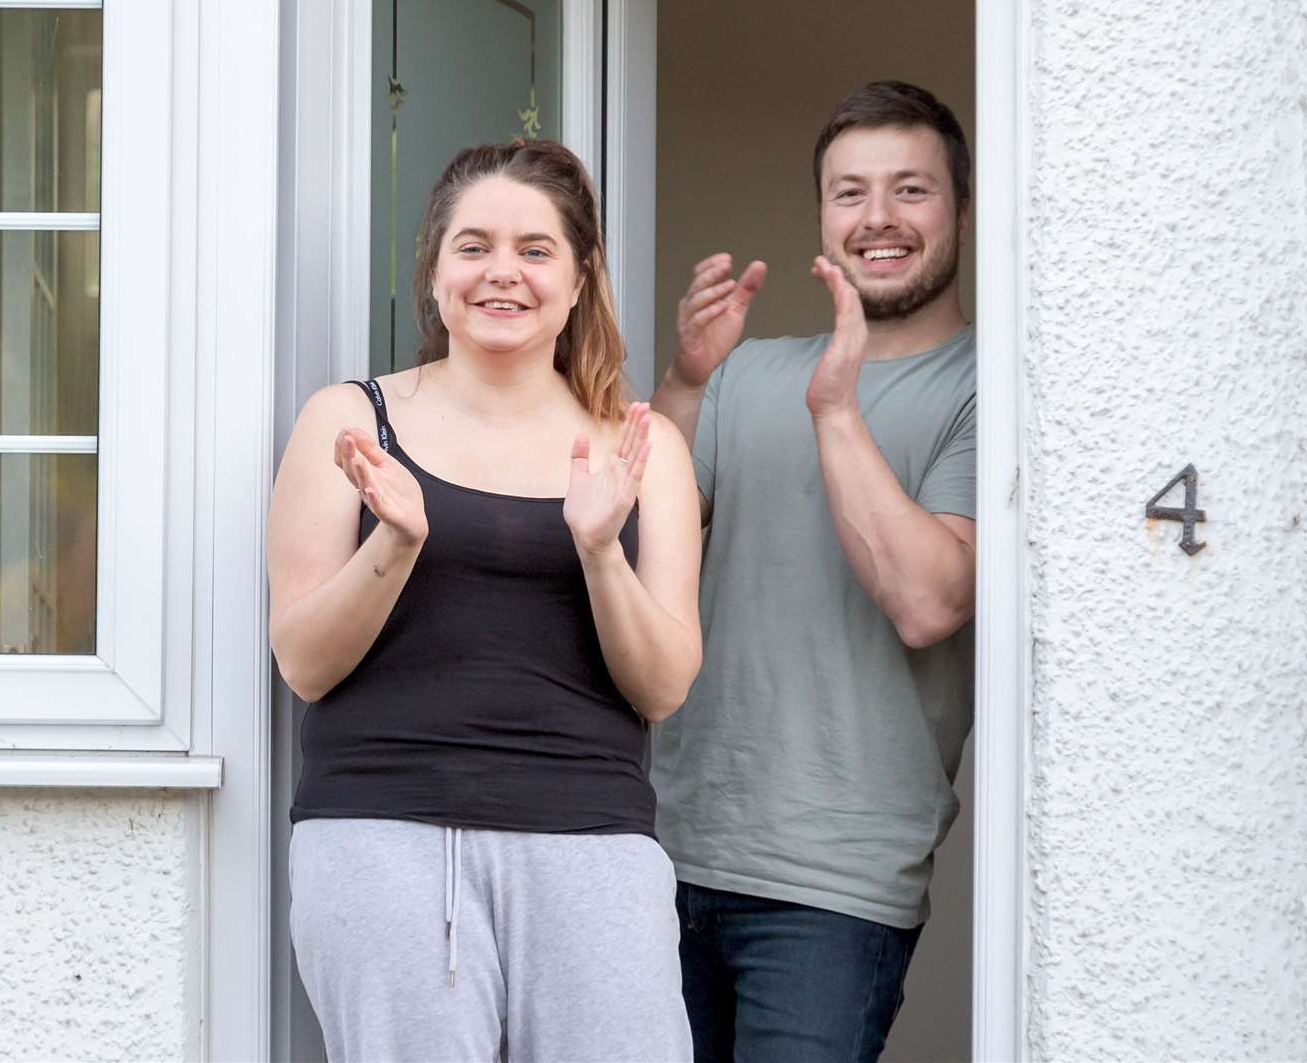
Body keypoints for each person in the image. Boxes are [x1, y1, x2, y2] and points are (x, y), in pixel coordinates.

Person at [269, 139, 703, 1061]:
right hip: (382, 836)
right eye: (473, 247)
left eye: (535, 250)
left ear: (579, 280)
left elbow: (663, 687)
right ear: (435, 273)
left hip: (593, 842)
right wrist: (397, 541)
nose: (501, 272)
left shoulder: (643, 445)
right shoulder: (349, 424)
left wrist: (599, 552)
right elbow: (303, 664)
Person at [648, 80, 978, 1062]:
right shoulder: (749, 375)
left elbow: (928, 601)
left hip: (834, 895)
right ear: (822, 218)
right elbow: (630, 546)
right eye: (849, 193)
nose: (877, 219)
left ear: (962, 206)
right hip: (663, 859)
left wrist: (837, 409)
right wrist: (685, 381)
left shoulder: (990, 388)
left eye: (910, 190)